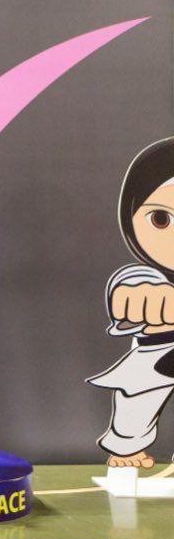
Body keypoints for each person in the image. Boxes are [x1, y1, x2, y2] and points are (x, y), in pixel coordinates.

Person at [89, 136, 174, 468]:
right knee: (137, 394)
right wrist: (142, 296)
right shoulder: (145, 276)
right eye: (161, 219)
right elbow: (132, 284)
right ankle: (126, 447)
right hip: (159, 348)